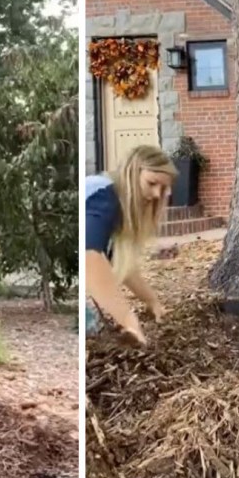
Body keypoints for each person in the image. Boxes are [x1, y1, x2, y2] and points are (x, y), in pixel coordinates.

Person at [85, 144, 176, 345]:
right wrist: (127, 320)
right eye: (151, 183)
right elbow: (89, 258)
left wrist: (152, 301)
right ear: (131, 173)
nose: (155, 195)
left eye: (163, 189)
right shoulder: (104, 196)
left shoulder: (115, 208)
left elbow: (122, 267)